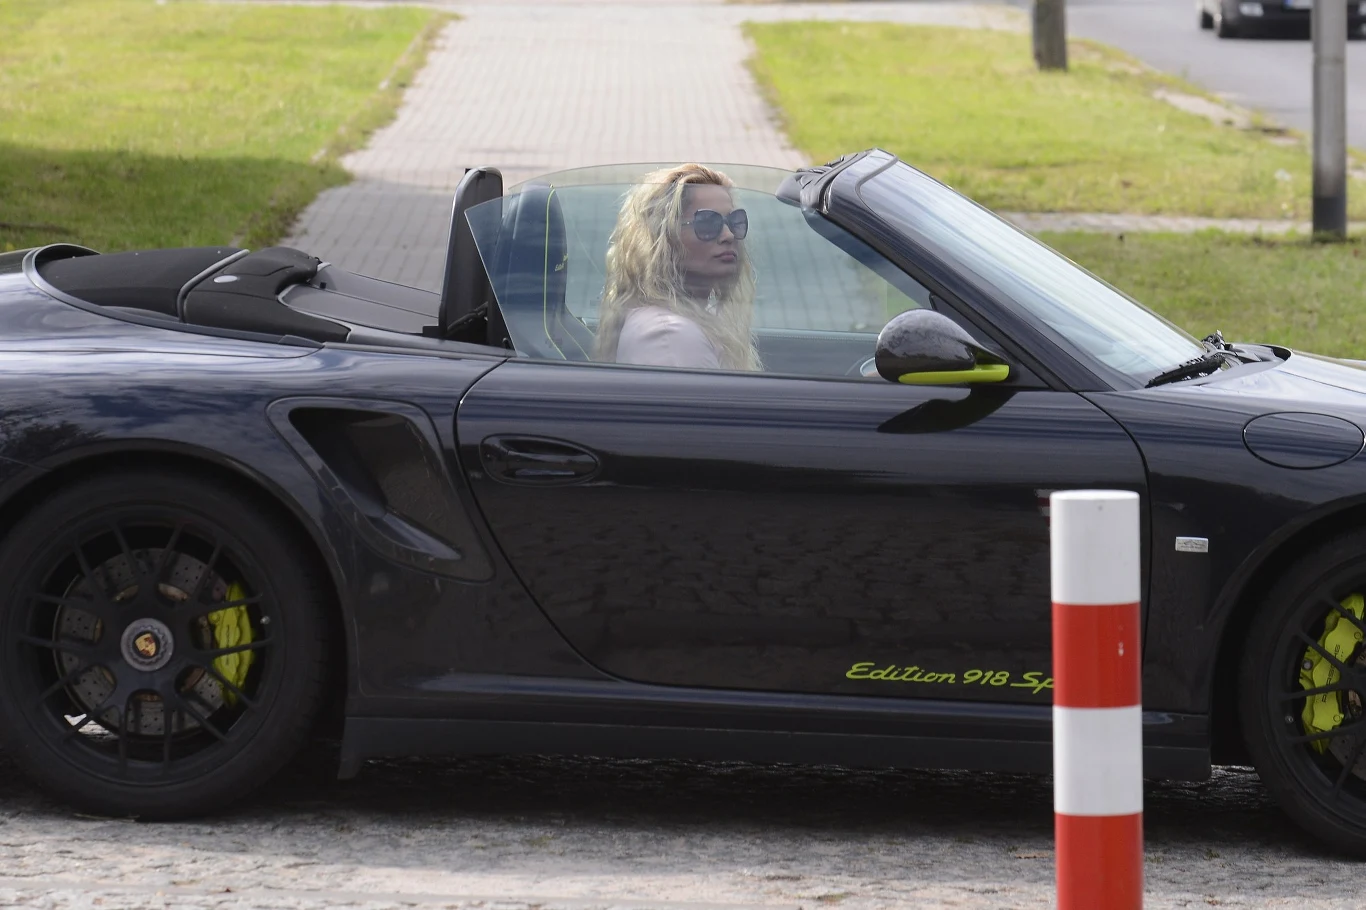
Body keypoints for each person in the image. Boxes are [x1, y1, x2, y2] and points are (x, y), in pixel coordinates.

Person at [593, 163, 761, 371]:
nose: (728, 235)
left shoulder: (687, 317)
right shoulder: (671, 336)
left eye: (735, 221)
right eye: (708, 223)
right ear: (664, 240)